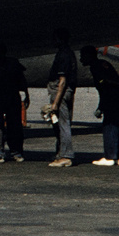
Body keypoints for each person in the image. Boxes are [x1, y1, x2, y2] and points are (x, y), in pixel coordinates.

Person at [82, 46, 119, 166]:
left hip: (113, 97)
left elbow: (105, 87)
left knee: (110, 125)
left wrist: (101, 107)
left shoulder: (95, 67)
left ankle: (110, 156)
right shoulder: (104, 63)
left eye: (83, 56)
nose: (81, 59)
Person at [0, 43, 29, 163]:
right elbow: (22, 80)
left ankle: (0, 153)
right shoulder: (13, 62)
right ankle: (15, 152)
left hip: (0, 98)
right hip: (11, 97)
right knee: (14, 126)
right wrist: (26, 95)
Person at [40, 28, 77, 168]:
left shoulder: (63, 55)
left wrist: (56, 102)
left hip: (60, 92)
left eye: (55, 38)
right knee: (60, 124)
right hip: (66, 92)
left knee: (63, 124)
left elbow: (62, 80)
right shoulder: (70, 53)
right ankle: (60, 153)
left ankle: (66, 156)